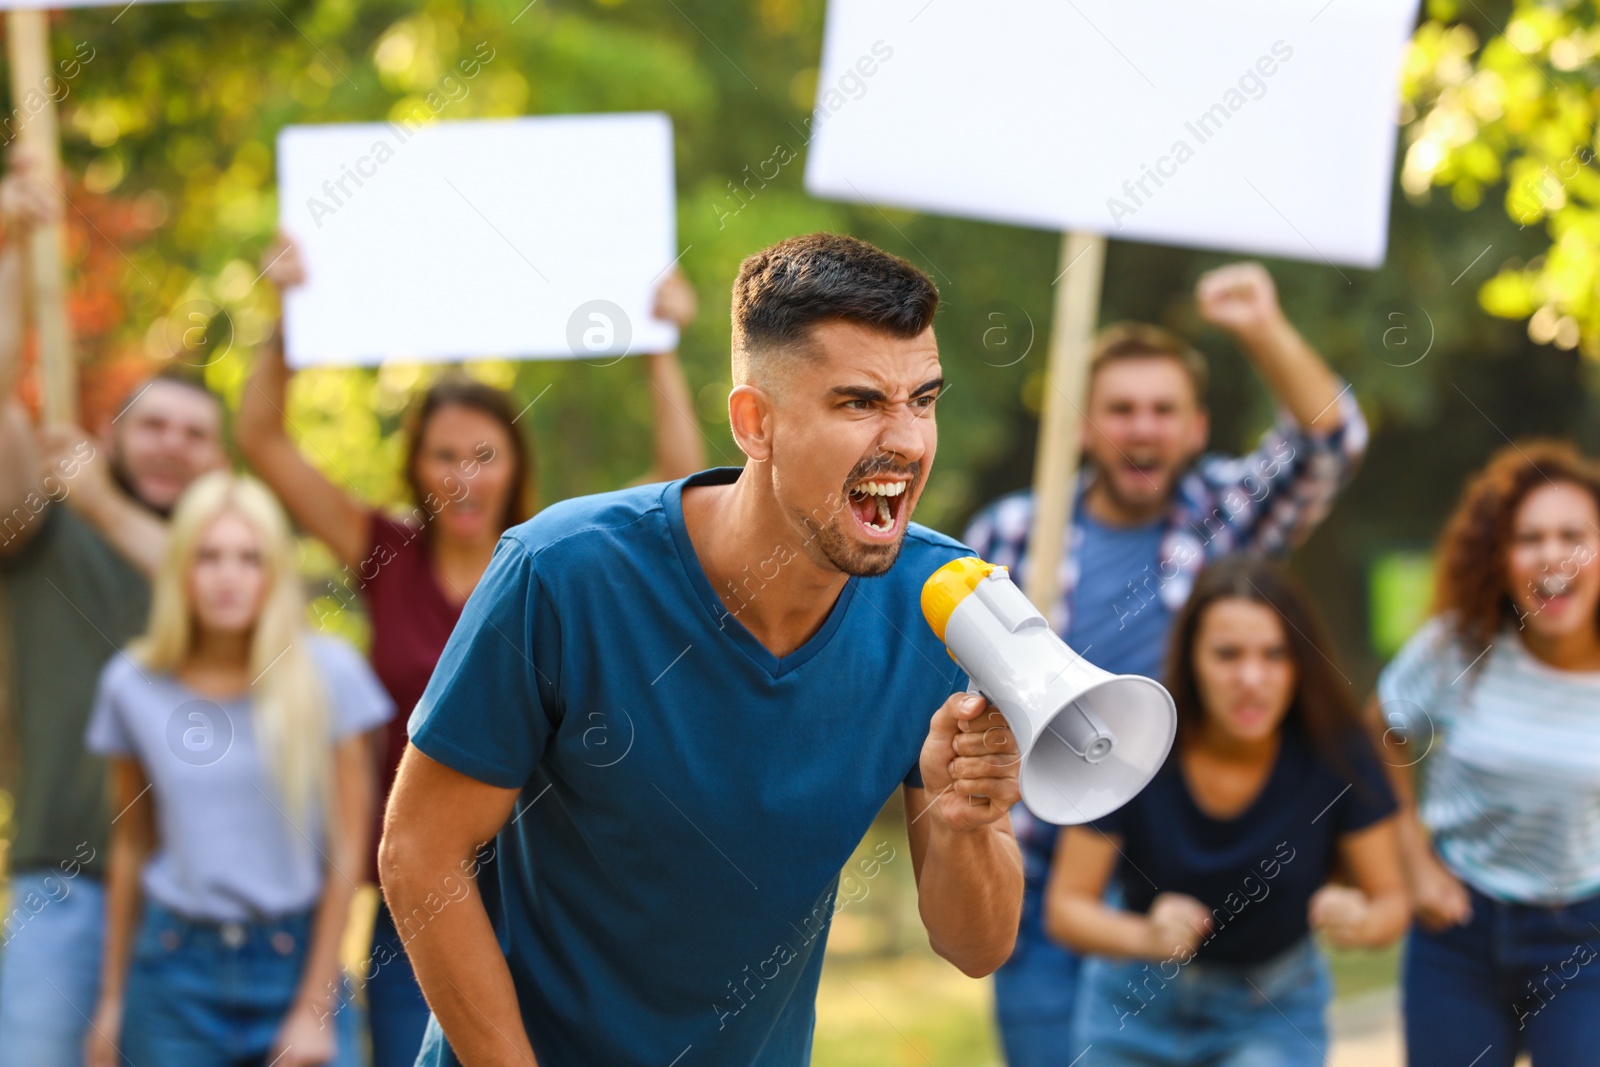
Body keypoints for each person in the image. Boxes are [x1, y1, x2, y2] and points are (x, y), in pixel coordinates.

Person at [379, 232, 1025, 1066]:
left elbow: (976, 947)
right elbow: (419, 850)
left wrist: (966, 818)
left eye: (924, 399)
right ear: (756, 422)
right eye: (860, 402)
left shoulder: (944, 603)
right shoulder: (562, 573)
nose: (906, 440)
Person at [237, 234, 708, 1066]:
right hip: (414, 887)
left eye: (484, 456)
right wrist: (284, 313)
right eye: (445, 455)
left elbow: (679, 472)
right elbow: (265, 440)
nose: (464, 476)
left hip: (545, 889)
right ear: (416, 465)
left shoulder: (553, 558)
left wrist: (659, 345)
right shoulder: (385, 553)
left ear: (513, 464)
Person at [962, 263, 1368, 1065]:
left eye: (1162, 410)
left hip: (1175, 878)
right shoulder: (1009, 536)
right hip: (1043, 875)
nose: (1141, 429)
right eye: (1120, 410)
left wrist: (1260, 325)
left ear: (1194, 426)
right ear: (1082, 425)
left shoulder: (1226, 518)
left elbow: (1332, 440)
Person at [0, 150, 228, 1067]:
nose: (174, 445)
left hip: (212, 907)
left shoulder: (232, 554)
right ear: (109, 436)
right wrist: (13, 250)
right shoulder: (43, 528)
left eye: (196, 434)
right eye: (154, 425)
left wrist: (103, 500)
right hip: (65, 886)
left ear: (220, 461)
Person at [83, 472, 393, 1067]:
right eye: (209, 557)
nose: (229, 576)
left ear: (274, 574)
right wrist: (113, 1001)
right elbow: (131, 847)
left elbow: (348, 850)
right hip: (173, 971)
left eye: (250, 559)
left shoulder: (331, 676)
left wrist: (314, 1007)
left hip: (296, 960)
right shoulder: (132, 684)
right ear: (180, 570)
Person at [1048, 556, 1407, 1064]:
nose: (1252, 678)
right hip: (1133, 1004)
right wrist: (1147, 935)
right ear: (1191, 657)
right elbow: (1066, 909)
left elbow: (1391, 902)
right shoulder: (1132, 741)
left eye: (1275, 655)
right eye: (1228, 655)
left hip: (1271, 1009)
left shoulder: (1337, 751)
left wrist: (1362, 922)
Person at [1375, 440, 1600, 1067]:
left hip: (1584, 937)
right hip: (1459, 934)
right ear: (1499, 559)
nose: (1552, 554)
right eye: (1528, 538)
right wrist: (1415, 865)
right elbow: (1379, 734)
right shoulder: (1457, 648)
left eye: (1573, 535)